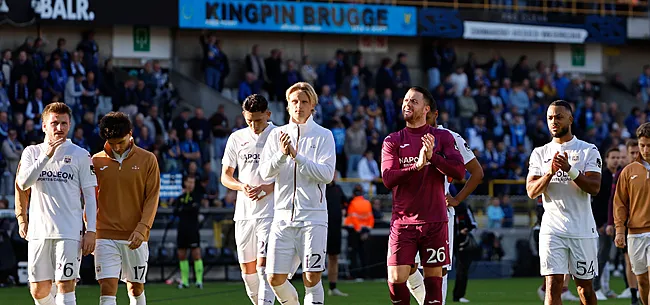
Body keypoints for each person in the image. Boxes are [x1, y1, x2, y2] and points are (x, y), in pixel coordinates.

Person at [382, 86, 465, 304]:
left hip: (435, 221)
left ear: (426, 109)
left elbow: (459, 171)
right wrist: (416, 166)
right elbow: (388, 179)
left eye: (414, 101)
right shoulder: (393, 140)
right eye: (405, 100)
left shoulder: (443, 137)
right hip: (402, 221)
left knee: (434, 280)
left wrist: (433, 158)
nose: (407, 104)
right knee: (395, 278)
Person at [259, 82, 336, 305]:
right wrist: (283, 155)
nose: (299, 106)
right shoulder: (276, 135)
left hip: (313, 217)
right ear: (287, 105)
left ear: (313, 105)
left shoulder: (324, 135)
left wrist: (297, 156)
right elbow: (265, 172)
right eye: (294, 101)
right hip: (282, 218)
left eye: (304, 102)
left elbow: (327, 174)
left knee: (311, 277)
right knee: (274, 278)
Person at [14, 102, 98, 305]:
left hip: (68, 231)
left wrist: (91, 230)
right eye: (54, 123)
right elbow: (23, 183)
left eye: (63, 123)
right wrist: (46, 156)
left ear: (69, 125)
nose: (59, 128)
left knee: (65, 285)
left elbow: (90, 196)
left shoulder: (80, 154)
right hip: (39, 232)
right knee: (38, 291)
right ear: (44, 126)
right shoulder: (31, 152)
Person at [403, 105, 484, 305]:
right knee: (405, 267)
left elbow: (477, 172)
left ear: (434, 114)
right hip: (411, 213)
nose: (422, 118)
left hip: (440, 212)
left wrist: (457, 199)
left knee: (440, 271)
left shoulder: (450, 137)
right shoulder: (404, 137)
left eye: (426, 114)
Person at [526, 100, 602, 305]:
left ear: (571, 119)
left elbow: (594, 187)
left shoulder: (588, 150)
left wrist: (570, 169)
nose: (554, 122)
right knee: (553, 285)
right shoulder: (539, 153)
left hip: (582, 230)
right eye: (550, 118)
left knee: (584, 289)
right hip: (552, 230)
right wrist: (549, 173)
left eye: (558, 117)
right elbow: (532, 191)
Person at [92, 112, 161, 305]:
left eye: (120, 142)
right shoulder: (95, 162)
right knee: (107, 288)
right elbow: (89, 200)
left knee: (135, 287)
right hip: (104, 234)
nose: (116, 147)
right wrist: (89, 229)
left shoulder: (148, 159)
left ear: (131, 134)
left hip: (135, 236)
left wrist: (142, 228)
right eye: (111, 142)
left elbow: (152, 197)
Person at [221, 94, 276, 305]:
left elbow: (289, 175)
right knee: (247, 271)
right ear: (244, 115)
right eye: (249, 120)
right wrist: (240, 186)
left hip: (270, 212)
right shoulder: (236, 138)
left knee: (264, 268)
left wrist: (268, 187)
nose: (253, 125)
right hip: (244, 213)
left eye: (259, 120)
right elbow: (226, 176)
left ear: (268, 114)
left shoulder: (278, 135)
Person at [614, 122, 650, 305]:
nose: (645, 149)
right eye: (642, 145)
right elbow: (620, 203)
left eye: (649, 145)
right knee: (642, 282)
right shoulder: (628, 171)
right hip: (634, 234)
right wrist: (619, 230)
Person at [608, 139, 641, 305]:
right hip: (630, 226)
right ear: (627, 154)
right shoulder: (623, 173)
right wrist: (614, 225)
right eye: (632, 153)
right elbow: (615, 202)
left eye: (638, 151)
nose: (636, 155)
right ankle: (634, 293)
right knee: (630, 261)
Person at [592, 147, 621, 300]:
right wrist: (601, 223)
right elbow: (598, 203)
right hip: (604, 224)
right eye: (613, 157)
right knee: (601, 256)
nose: (616, 160)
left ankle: (606, 288)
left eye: (618, 157)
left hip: (618, 223)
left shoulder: (621, 175)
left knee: (610, 256)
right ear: (606, 159)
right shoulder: (603, 177)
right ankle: (595, 288)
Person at [173, 175, 204, 289]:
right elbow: (175, 211)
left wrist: (184, 209)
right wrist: (184, 208)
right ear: (185, 183)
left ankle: (199, 281)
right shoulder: (180, 197)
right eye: (189, 182)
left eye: (193, 182)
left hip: (193, 229)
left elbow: (193, 208)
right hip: (182, 229)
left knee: (196, 254)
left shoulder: (196, 196)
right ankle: (185, 281)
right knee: (182, 254)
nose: (191, 185)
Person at [325, 172, 348, 297]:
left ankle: (332, 287)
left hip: (335, 229)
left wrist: (344, 212)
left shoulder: (338, 189)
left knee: (333, 257)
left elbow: (346, 203)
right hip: (321, 228)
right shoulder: (320, 188)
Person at [344, 187, 375, 280]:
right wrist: (366, 231)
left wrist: (359, 230)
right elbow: (370, 218)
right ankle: (365, 274)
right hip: (365, 231)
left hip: (354, 231)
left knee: (353, 254)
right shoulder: (367, 203)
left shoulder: (352, 203)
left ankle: (354, 275)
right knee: (364, 254)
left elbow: (353, 218)